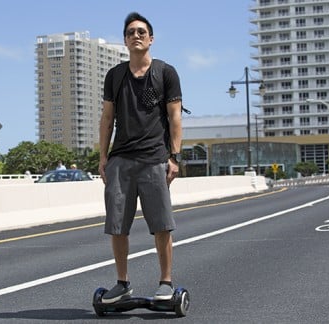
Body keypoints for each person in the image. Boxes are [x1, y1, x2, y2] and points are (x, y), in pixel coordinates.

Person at [98, 12, 183, 304]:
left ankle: (166, 282)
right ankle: (122, 283)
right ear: (124, 40)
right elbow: (107, 119)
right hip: (120, 159)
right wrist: (103, 158)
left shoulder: (165, 73)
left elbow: (175, 119)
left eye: (141, 32)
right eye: (131, 32)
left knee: (161, 224)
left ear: (151, 39)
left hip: (155, 158)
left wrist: (174, 157)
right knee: (118, 225)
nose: (136, 35)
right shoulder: (115, 76)